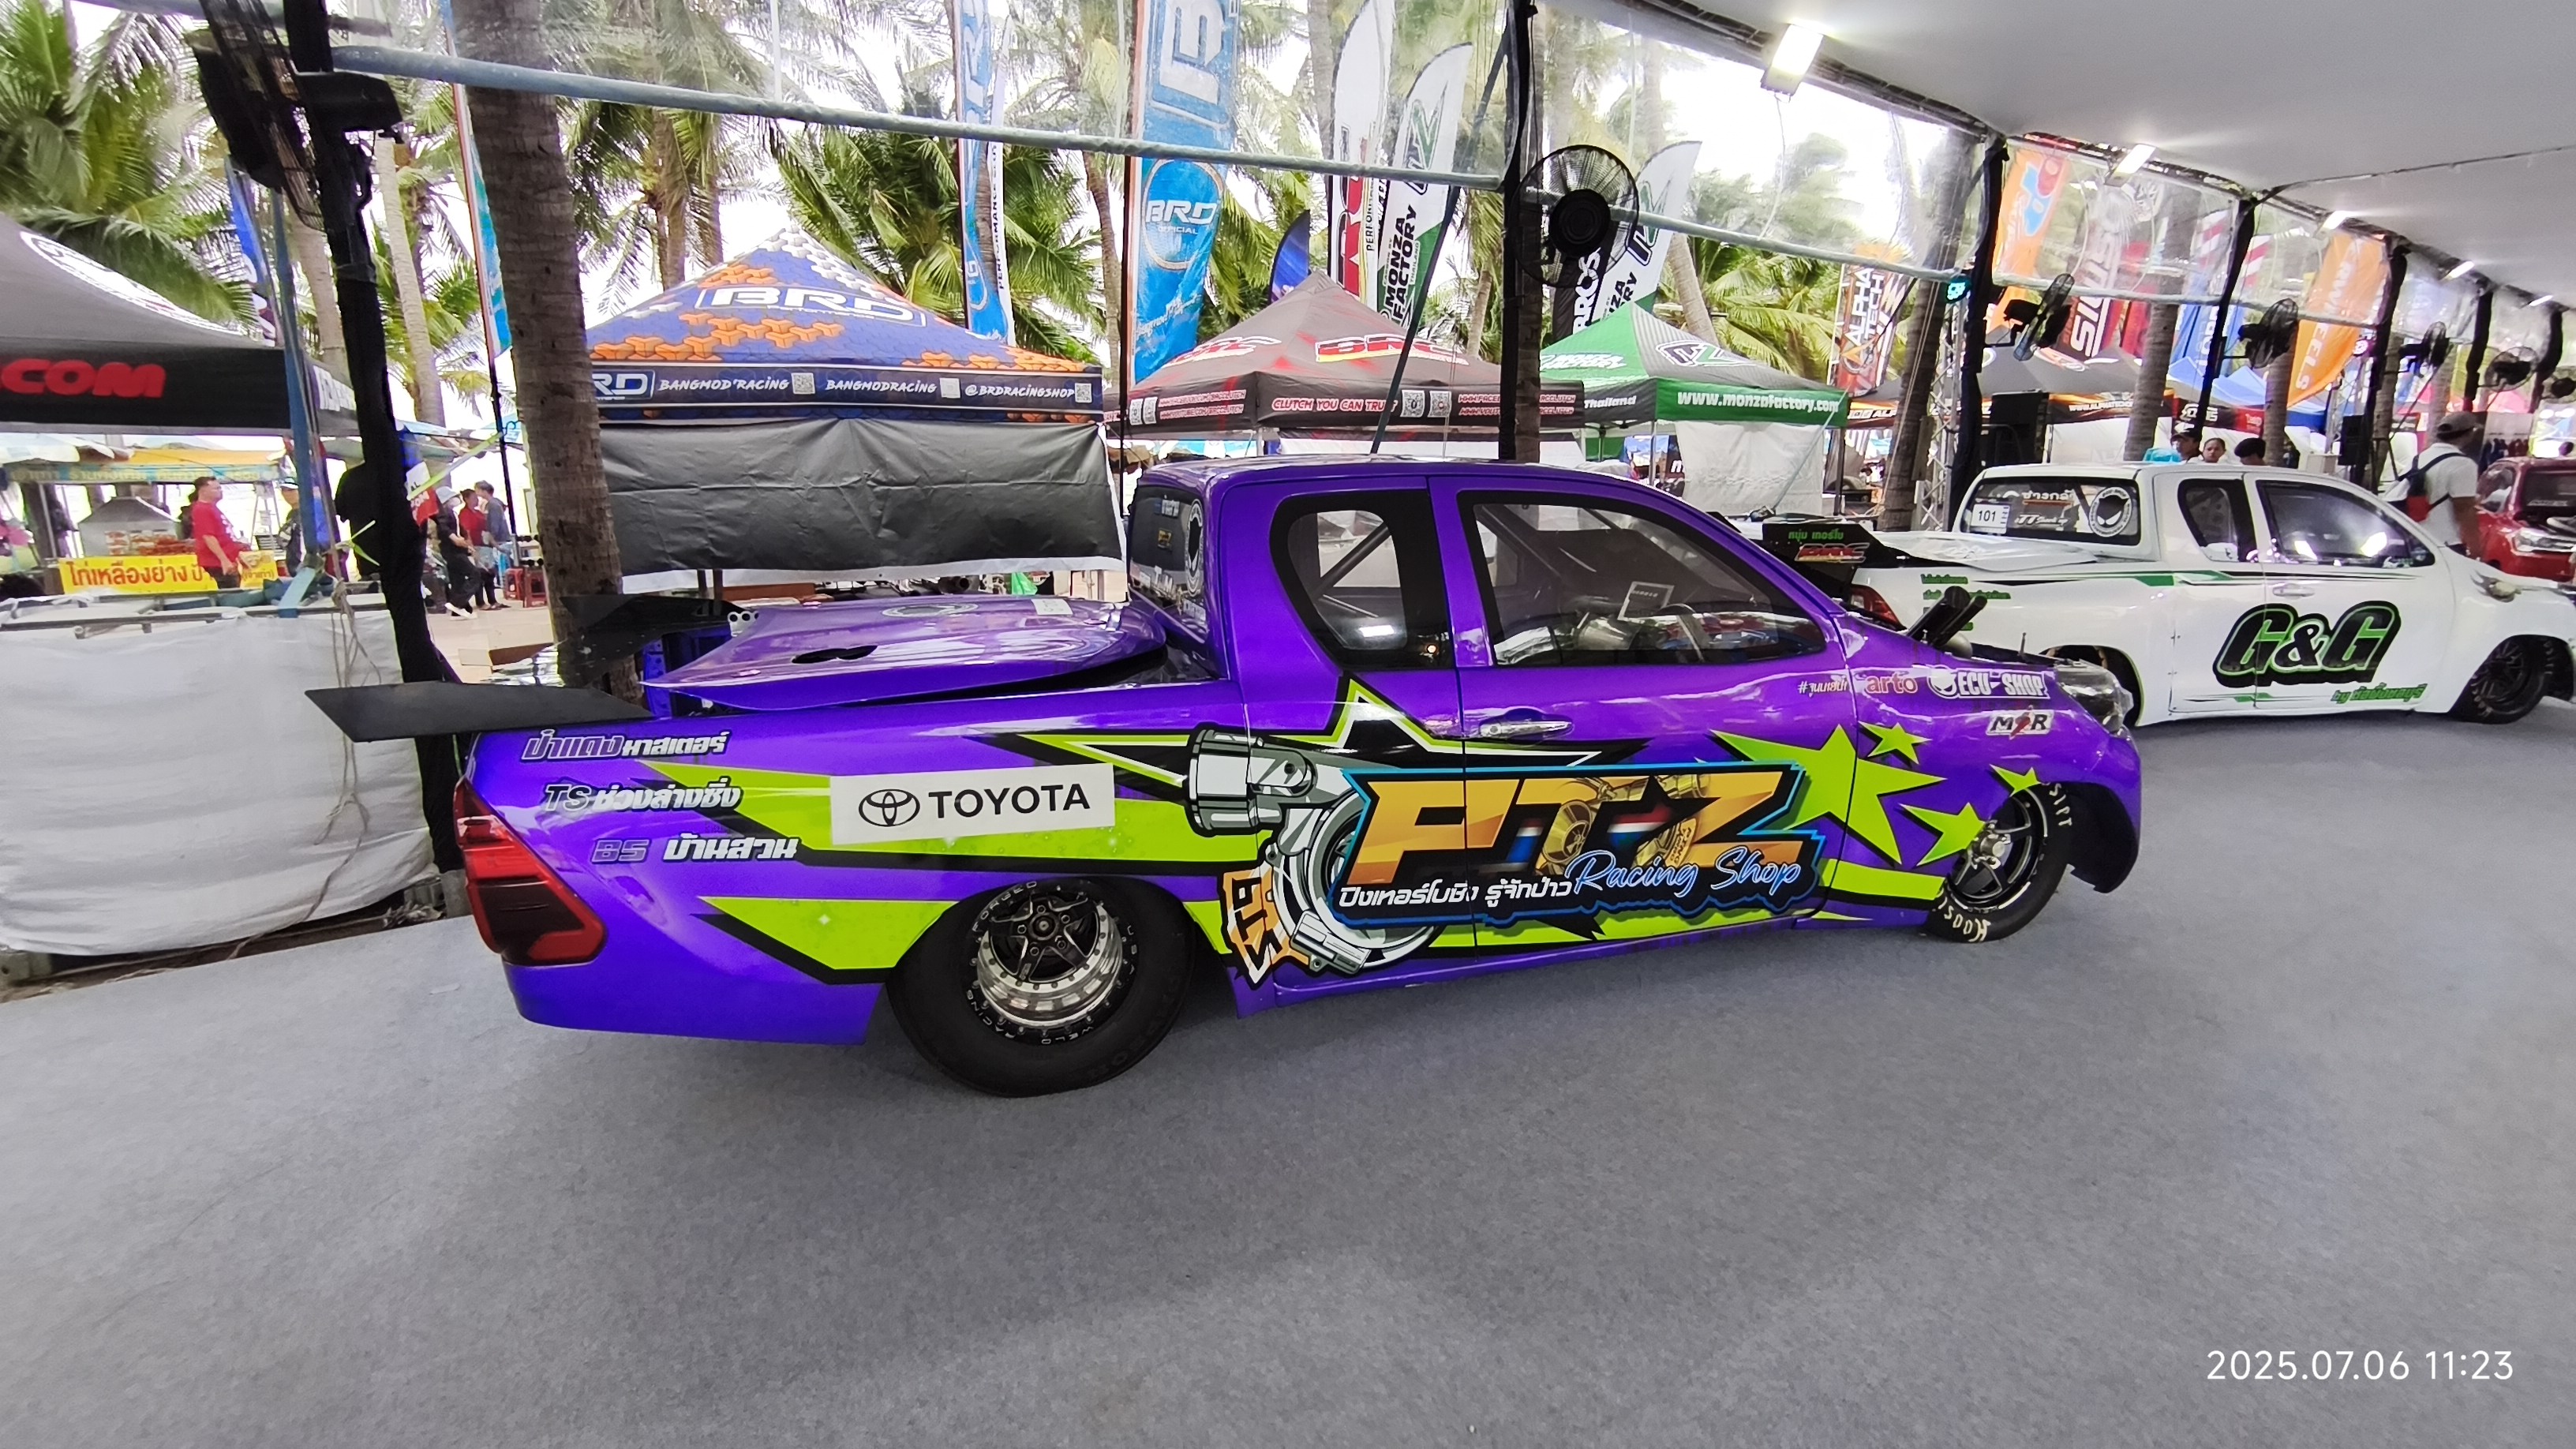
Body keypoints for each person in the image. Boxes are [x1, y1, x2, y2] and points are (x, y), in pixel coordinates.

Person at [2409, 412, 2484, 552]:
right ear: (2469, 433)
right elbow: (2464, 508)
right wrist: (2475, 547)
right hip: (2443, 543)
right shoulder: (2463, 464)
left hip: (2413, 538)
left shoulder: (2421, 458)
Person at [187, 478, 249, 589]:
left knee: (234, 587)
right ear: (203, 491)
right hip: (216, 561)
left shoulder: (211, 507)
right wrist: (224, 560)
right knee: (230, 590)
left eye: (220, 488)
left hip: (226, 558)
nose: (220, 491)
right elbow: (208, 537)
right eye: (216, 489)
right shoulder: (202, 509)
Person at [430, 489, 481, 614]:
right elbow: (444, 529)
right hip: (452, 551)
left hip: (456, 550)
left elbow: (458, 531)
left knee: (458, 580)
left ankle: (459, 610)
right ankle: (457, 603)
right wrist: (454, 538)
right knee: (475, 574)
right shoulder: (443, 513)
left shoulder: (451, 513)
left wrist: (466, 545)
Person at [471, 482, 515, 605]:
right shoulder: (493, 504)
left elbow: (494, 525)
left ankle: (496, 596)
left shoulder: (493, 505)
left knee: (492, 570)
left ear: (483, 491)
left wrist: (491, 539)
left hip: (497, 540)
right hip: (495, 540)